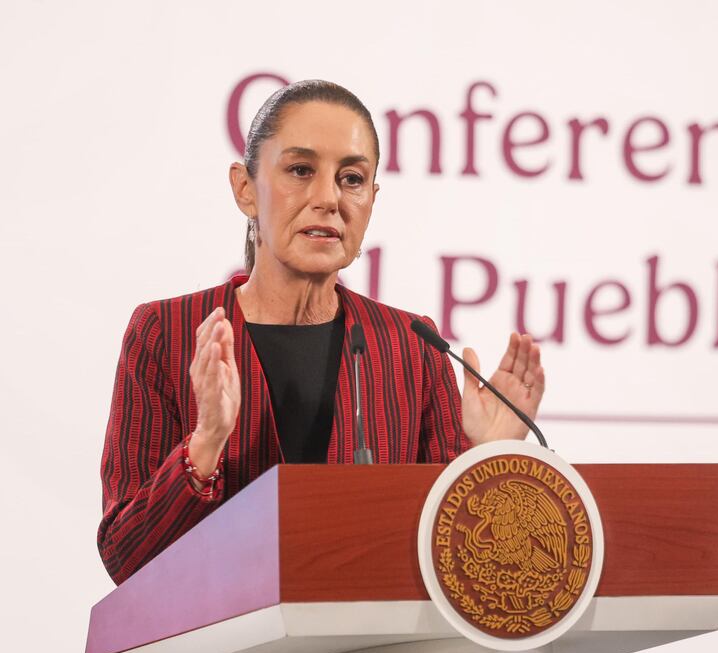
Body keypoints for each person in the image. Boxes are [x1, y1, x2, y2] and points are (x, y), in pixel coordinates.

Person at [97, 80, 546, 585]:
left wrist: (486, 461)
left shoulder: (411, 344)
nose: (328, 199)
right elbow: (125, 557)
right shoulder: (167, 333)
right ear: (245, 188)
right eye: (300, 170)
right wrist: (206, 444)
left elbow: (459, 564)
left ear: (372, 199)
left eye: (351, 178)